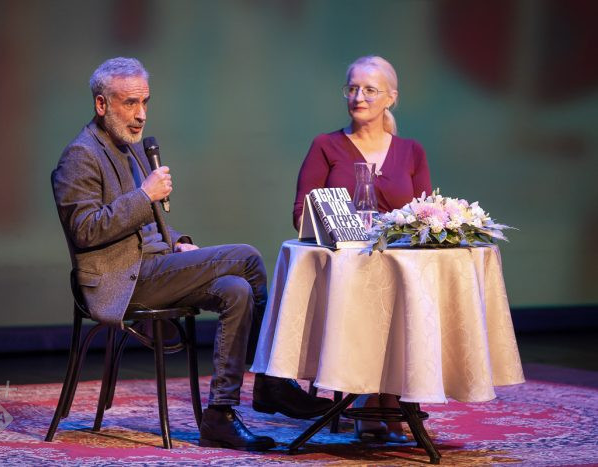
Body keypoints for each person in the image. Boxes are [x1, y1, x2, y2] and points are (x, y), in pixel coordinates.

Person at [52, 57, 281, 451]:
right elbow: (85, 230)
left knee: (237, 289)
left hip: (154, 266)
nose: (141, 114)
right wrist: (145, 196)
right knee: (247, 257)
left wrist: (177, 241)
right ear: (102, 104)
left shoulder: (132, 149)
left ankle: (220, 415)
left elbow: (149, 223)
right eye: (130, 103)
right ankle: (271, 381)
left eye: (145, 102)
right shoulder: (81, 155)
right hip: (121, 279)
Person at [292, 55, 432, 443]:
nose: (359, 97)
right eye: (352, 88)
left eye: (370, 90)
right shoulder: (326, 145)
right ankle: (375, 399)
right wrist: (342, 231)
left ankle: (388, 398)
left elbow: (424, 214)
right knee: (373, 295)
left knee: (406, 295)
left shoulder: (411, 151)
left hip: (398, 268)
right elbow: (301, 212)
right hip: (346, 268)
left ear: (391, 97)